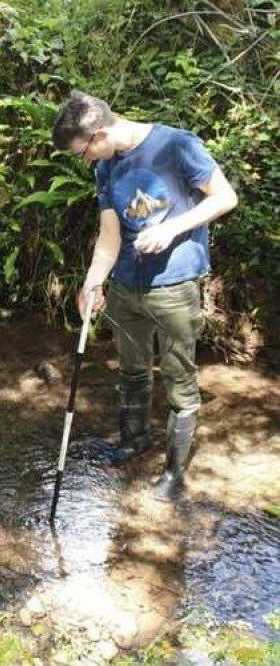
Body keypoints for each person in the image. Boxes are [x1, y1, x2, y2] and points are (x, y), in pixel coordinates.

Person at [51, 91, 238, 502]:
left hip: (174, 285)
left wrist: (172, 228)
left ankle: (174, 473)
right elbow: (109, 235)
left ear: (98, 135)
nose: (88, 162)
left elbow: (225, 197)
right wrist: (92, 282)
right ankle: (135, 441)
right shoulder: (106, 168)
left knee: (178, 380)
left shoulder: (176, 144)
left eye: (84, 153)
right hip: (126, 287)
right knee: (131, 369)